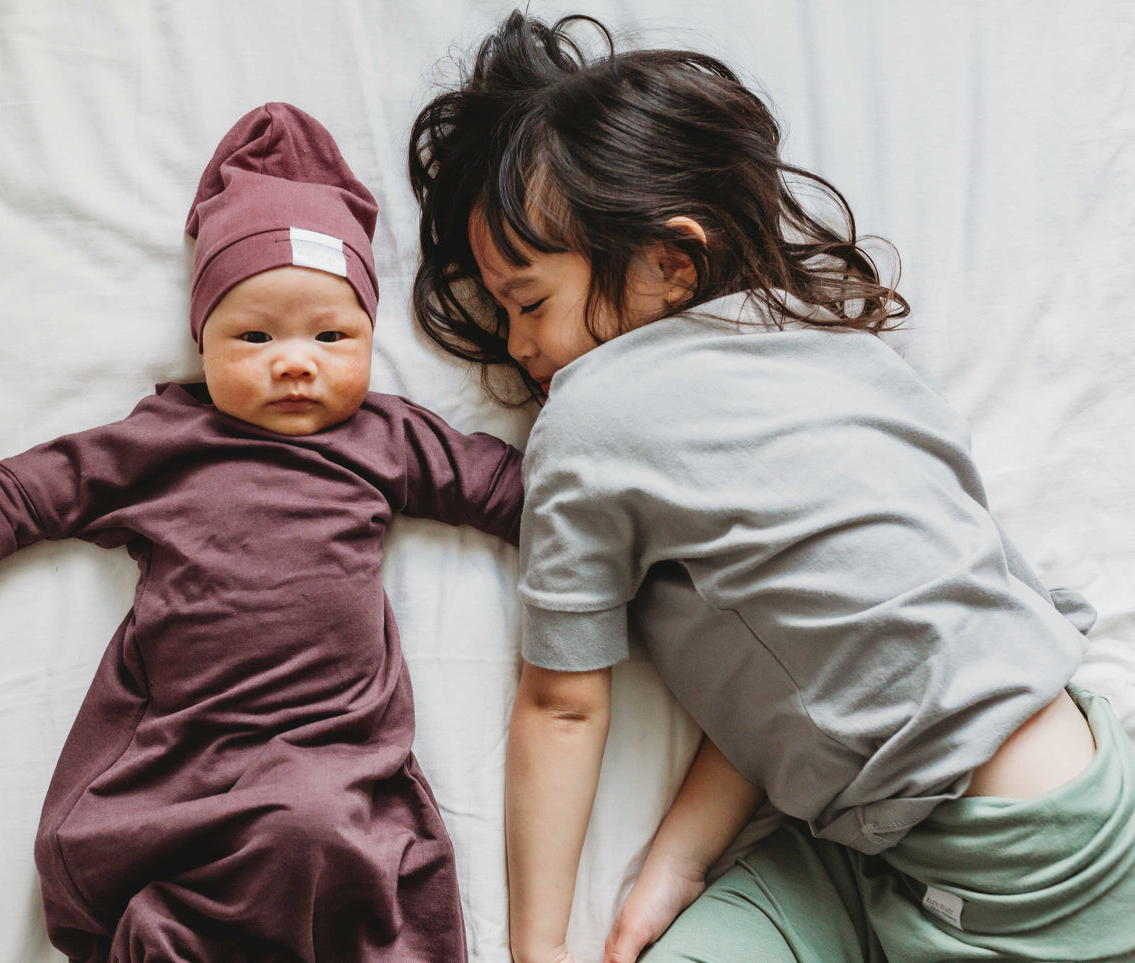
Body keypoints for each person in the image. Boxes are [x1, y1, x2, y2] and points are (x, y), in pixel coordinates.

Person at [407, 12, 1135, 963]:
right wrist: (676, 861)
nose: (514, 344)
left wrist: (535, 951)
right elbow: (795, 674)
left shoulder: (591, 413)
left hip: (1006, 867)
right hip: (1006, 802)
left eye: (528, 301)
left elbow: (564, 705)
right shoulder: (844, 353)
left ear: (669, 264)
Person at [0, 103, 522, 963]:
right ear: (203, 339)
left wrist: (594, 526)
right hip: (191, 740)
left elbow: (494, 483)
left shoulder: (383, 437)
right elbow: (56, 477)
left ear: (368, 339)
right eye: (255, 335)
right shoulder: (168, 437)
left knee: (316, 829)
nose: (294, 359)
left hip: (328, 736)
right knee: (153, 858)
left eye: (331, 334)